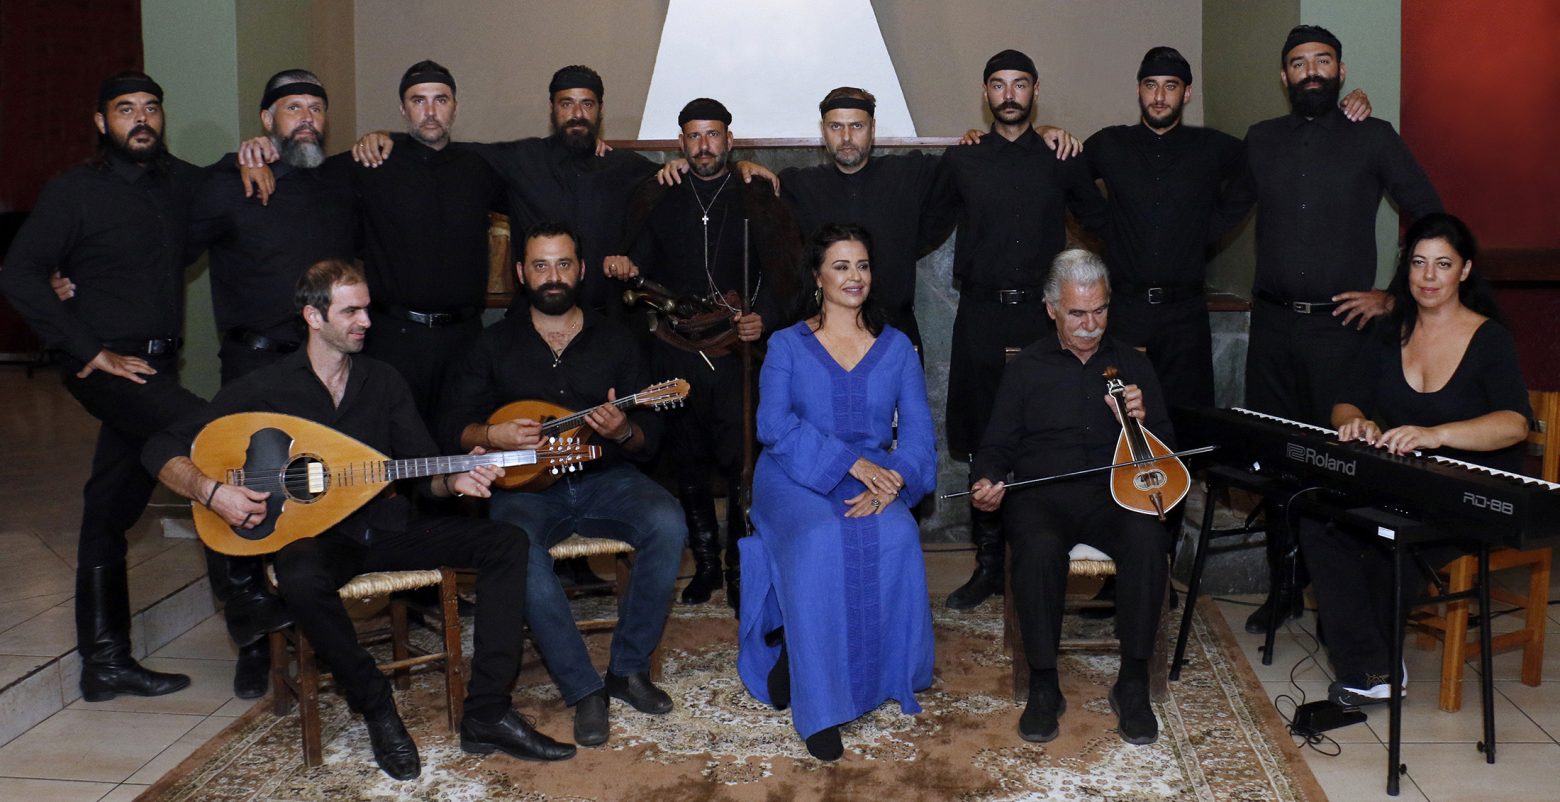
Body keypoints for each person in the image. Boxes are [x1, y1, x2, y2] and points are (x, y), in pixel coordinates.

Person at [142, 260, 576, 780]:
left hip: (389, 528)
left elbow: (423, 473)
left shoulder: (382, 380)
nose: (366, 321)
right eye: (351, 311)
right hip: (322, 541)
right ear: (313, 316)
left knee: (508, 542)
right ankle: (375, 705)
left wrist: (454, 480)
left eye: (367, 309)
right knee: (299, 572)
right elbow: (160, 447)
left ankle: (488, 713)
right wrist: (213, 492)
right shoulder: (264, 388)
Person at [0, 72, 221, 702]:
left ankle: (103, 661)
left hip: (159, 366)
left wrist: (254, 157)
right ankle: (254, 607)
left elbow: (227, 183)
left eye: (151, 107)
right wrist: (88, 348)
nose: (141, 119)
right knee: (215, 435)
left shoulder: (179, 182)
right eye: (126, 110)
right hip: (105, 370)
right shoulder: (73, 191)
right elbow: (18, 273)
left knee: (109, 506)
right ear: (101, 122)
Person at [1217, 25, 1444, 633]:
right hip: (1271, 330)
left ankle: (1339, 600)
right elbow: (1222, 212)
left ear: (1341, 72)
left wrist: (1394, 295)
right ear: (1284, 76)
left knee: (1341, 466)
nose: (1311, 71)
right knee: (1273, 461)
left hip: (1342, 333)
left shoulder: (1373, 136)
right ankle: (1285, 587)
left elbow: (1430, 214)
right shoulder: (1261, 139)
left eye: (1322, 61)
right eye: (1299, 63)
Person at [441, 222, 685, 747]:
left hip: (605, 478)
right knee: (515, 547)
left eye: (563, 264)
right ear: (521, 273)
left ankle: (628, 670)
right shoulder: (493, 343)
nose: (553, 276)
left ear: (581, 269)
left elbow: (652, 436)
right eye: (541, 265)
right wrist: (491, 433)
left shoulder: (616, 338)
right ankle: (583, 689)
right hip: (526, 491)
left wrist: (624, 431)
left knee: (667, 521)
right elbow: (454, 425)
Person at [1300, 213, 1531, 706]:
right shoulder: (1390, 332)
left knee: (1389, 542)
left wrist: (1436, 434)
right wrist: (1355, 421)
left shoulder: (1490, 339)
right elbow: (1345, 401)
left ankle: (1374, 664)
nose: (1428, 276)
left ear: (1464, 271)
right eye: (1419, 262)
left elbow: (1515, 423)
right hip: (1408, 482)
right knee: (1318, 519)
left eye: (1443, 264)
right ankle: (1374, 663)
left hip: (1470, 493)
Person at [182, 68, 354, 698]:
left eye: (315, 108)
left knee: (325, 490)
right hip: (254, 365)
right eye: (291, 108)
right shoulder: (231, 181)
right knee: (238, 485)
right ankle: (252, 633)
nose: (306, 118)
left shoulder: (339, 182)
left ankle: (320, 621)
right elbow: (169, 246)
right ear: (266, 120)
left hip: (325, 366)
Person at [737, 224, 937, 761]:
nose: (855, 277)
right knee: (821, 540)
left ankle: (865, 672)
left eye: (863, 265)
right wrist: (853, 462)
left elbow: (919, 435)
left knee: (896, 536)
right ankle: (819, 704)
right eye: (841, 266)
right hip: (791, 473)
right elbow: (773, 426)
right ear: (817, 276)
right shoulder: (786, 344)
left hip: (875, 477)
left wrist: (895, 481)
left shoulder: (897, 348)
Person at [969, 249, 1173, 746]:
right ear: (1051, 309)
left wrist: (1142, 422)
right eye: (1077, 313)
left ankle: (1132, 683)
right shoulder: (1026, 368)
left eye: (1099, 310)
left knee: (1148, 540)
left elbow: (1170, 450)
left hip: (1115, 492)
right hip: (1043, 494)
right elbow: (996, 445)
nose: (1090, 324)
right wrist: (986, 480)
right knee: (1038, 549)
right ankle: (1044, 684)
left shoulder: (1131, 364)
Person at [932, 49, 1109, 611]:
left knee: (1044, 433)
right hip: (981, 317)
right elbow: (922, 220)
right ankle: (989, 566)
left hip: (1041, 319)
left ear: (1035, 91)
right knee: (985, 435)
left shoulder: (1060, 157)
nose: (1009, 94)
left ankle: (1040, 557)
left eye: (1020, 84)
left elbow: (1102, 223)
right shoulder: (963, 159)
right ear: (986, 93)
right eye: (998, 84)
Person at [238, 60, 507, 429]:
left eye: (441, 100)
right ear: (403, 109)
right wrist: (258, 152)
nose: (430, 111)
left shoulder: (480, 166)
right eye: (418, 100)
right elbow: (303, 163)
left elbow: (540, 172)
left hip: (466, 338)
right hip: (394, 338)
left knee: (462, 436)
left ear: (455, 108)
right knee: (391, 440)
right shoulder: (372, 162)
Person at [614, 97, 800, 607]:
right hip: (676, 349)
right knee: (688, 460)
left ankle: (740, 569)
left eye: (713, 135)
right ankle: (706, 566)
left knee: (742, 464)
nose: (704, 146)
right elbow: (640, 261)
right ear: (681, 142)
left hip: (735, 353)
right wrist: (627, 267)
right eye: (694, 136)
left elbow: (786, 271)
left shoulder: (754, 194)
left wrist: (765, 317)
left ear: (729, 140)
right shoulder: (661, 194)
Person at [780, 86, 1082, 349]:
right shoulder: (799, 184)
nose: (846, 137)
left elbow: (973, 164)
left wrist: (1037, 134)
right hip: (826, 336)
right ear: (823, 130)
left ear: (873, 128)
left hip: (896, 333)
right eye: (836, 127)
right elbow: (765, 198)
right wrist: (753, 169)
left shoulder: (910, 172)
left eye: (856, 126)